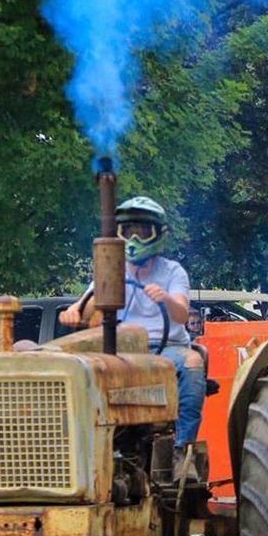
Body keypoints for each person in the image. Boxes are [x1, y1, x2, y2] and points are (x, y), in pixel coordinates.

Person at [59, 196, 206, 473]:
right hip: (122, 350)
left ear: (157, 234)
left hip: (166, 350)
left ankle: (182, 452)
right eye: (128, 231)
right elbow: (87, 304)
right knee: (76, 370)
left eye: (142, 231)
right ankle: (77, 451)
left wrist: (166, 299)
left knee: (193, 363)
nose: (135, 238)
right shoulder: (111, 269)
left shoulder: (173, 272)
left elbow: (182, 314)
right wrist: (74, 312)